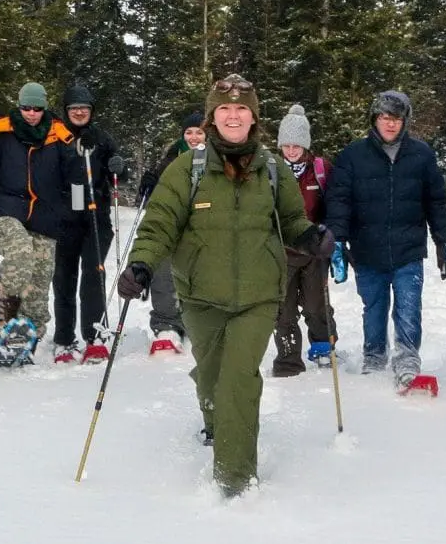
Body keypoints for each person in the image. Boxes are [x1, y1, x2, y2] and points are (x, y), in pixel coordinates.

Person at [117, 74, 332, 497]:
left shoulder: (271, 169)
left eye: (242, 109)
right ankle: (216, 423)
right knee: (211, 375)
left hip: (259, 293)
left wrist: (309, 237)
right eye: (225, 109)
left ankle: (235, 481)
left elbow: (291, 219)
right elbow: (160, 222)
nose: (234, 115)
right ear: (214, 117)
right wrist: (141, 265)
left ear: (254, 117)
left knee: (238, 378)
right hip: (200, 295)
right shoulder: (188, 168)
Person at [324, 90, 446, 389]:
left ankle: (407, 359)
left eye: (397, 119)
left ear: (405, 121)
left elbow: (436, 200)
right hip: (367, 250)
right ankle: (374, 357)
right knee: (374, 307)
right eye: (385, 118)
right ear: (374, 119)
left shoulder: (422, 154)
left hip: (408, 249)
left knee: (409, 306)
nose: (390, 124)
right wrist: (338, 241)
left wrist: (441, 239)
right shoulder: (353, 156)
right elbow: (339, 200)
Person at [0, 82, 81, 364]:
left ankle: (28, 337)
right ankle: (9, 312)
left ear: (44, 108)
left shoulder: (59, 136)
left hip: (45, 214)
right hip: (4, 208)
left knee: (40, 278)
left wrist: (77, 199)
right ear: (19, 106)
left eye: (37, 108)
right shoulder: (2, 133)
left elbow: (74, 177)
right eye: (26, 107)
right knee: (21, 253)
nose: (31, 113)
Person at [51, 85, 125, 363]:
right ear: (66, 111)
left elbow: (119, 173)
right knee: (64, 279)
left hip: (96, 216)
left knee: (94, 275)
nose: (79, 112)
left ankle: (94, 335)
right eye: (73, 108)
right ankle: (64, 339)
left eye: (84, 108)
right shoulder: (57, 137)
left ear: (91, 111)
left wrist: (119, 166)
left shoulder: (101, 138)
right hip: (63, 218)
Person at [271, 104, 337, 377]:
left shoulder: (320, 169)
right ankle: (288, 357)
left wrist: (330, 236)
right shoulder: (271, 170)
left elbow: (335, 205)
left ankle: (323, 347)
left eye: (296, 144)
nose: (291, 150)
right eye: (286, 144)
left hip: (313, 251)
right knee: (283, 310)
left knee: (315, 305)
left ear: (305, 144)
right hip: (281, 252)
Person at [136, 111, 205, 353]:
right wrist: (149, 184)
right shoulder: (170, 159)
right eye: (189, 132)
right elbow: (155, 201)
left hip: (206, 225)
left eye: (199, 132)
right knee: (164, 266)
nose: (194, 137)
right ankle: (167, 323)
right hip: (175, 223)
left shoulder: (218, 158)